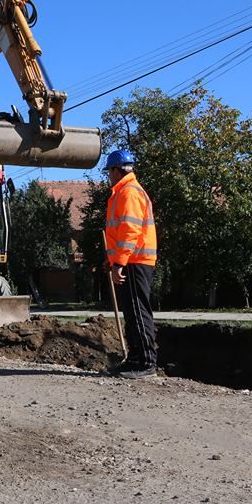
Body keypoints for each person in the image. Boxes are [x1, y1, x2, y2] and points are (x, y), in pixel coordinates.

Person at [104, 150, 158, 378]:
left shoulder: (129, 193)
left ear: (116, 171)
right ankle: (136, 358)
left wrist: (119, 264)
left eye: (109, 172)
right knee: (132, 312)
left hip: (134, 261)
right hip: (130, 261)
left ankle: (146, 363)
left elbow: (130, 231)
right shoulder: (124, 192)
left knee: (137, 311)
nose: (108, 176)